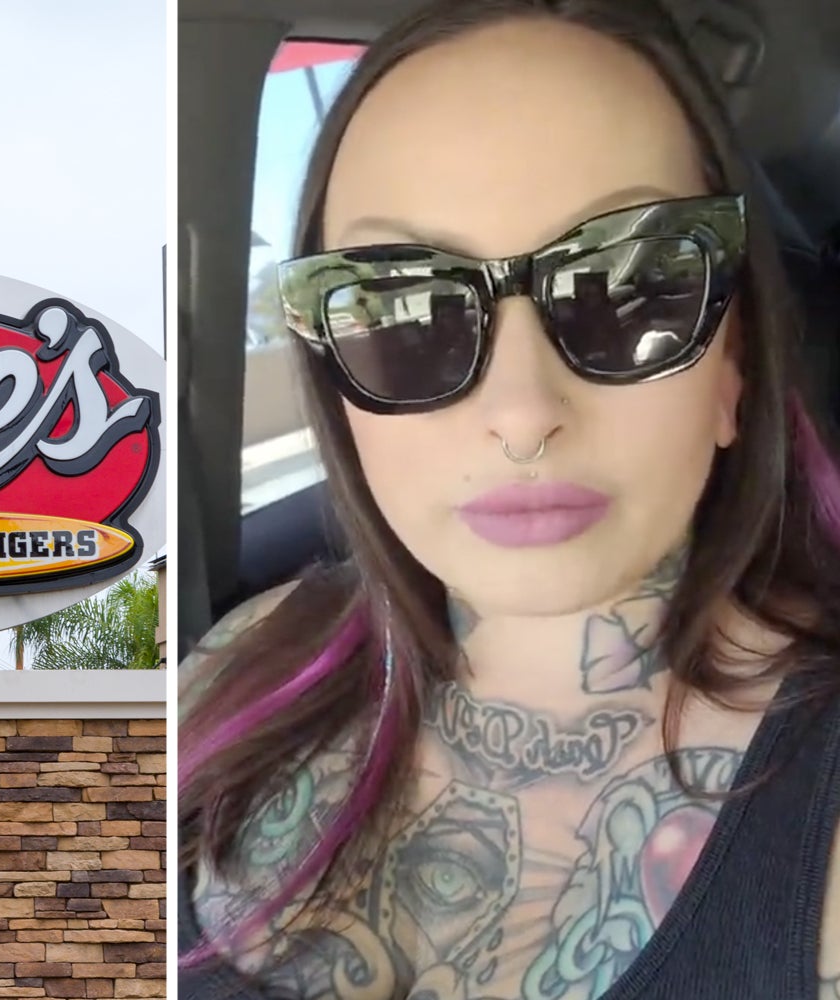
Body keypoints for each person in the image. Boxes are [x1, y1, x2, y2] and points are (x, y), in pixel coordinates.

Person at [178, 1, 840, 997]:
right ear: (332, 373)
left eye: (632, 287)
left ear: (730, 362)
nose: (523, 412)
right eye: (403, 306)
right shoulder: (224, 676)